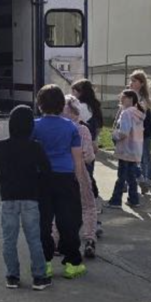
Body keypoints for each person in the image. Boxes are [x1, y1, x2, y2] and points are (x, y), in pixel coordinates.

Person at [0, 106, 53, 291]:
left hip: (8, 197)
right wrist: (36, 182)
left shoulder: (0, 146)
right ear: (30, 125)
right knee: (34, 239)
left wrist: (4, 181)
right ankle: (39, 277)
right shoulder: (35, 146)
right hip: (31, 197)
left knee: (9, 240)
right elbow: (47, 171)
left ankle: (12, 276)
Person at [33, 84, 89, 279]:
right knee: (68, 222)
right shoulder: (70, 127)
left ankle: (45, 263)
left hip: (41, 178)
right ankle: (73, 263)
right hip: (66, 177)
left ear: (40, 104)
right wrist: (80, 181)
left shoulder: (34, 126)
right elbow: (78, 159)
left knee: (43, 222)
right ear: (61, 105)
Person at [64, 95, 99, 259]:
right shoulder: (82, 129)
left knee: (61, 208)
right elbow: (89, 156)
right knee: (88, 206)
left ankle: (56, 239)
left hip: (61, 171)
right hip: (81, 172)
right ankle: (90, 238)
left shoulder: (60, 128)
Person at [71, 79, 105, 238]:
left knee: (82, 186)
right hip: (91, 146)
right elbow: (97, 128)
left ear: (81, 92)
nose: (73, 95)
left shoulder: (81, 108)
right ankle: (94, 219)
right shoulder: (94, 106)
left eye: (75, 91)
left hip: (81, 149)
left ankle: (91, 223)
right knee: (89, 182)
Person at [108, 89, 145, 208]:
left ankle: (116, 200)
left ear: (130, 99)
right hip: (135, 148)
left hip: (125, 149)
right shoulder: (138, 112)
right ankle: (134, 199)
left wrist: (114, 135)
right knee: (131, 176)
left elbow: (124, 132)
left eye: (123, 98)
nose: (121, 100)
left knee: (121, 176)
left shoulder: (126, 113)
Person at [129, 70, 151, 190]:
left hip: (145, 131)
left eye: (134, 81)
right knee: (135, 156)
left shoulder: (143, 98)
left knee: (145, 156)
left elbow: (140, 114)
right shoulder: (130, 95)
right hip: (133, 132)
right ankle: (139, 178)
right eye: (131, 80)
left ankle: (149, 178)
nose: (131, 83)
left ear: (141, 83)